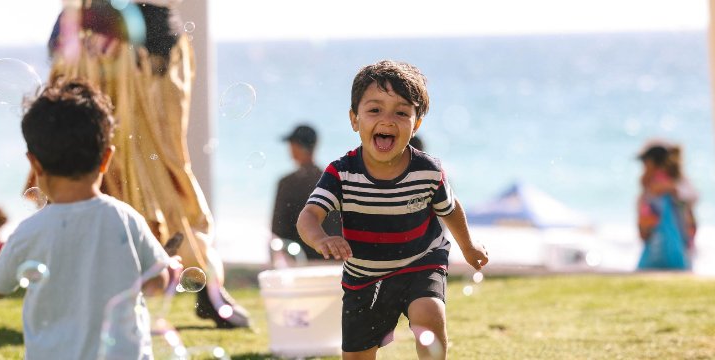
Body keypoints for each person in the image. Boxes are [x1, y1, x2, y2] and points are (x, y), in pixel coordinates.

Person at [44, 0, 251, 329]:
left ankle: (202, 281)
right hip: (91, 42)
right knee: (94, 168)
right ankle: (91, 294)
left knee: (163, 174)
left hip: (143, 45)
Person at [0, 80, 172, 359]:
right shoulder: (126, 218)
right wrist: (171, 269)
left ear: (35, 164)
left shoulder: (31, 231)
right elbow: (158, 282)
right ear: (106, 159)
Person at [296, 60, 489, 359]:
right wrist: (320, 239)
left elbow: (449, 208)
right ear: (354, 119)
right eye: (375, 110)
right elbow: (309, 216)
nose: (387, 120)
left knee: (429, 313)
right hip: (363, 276)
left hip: (420, 261)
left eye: (401, 112)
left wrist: (468, 246)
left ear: (416, 124)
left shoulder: (428, 171)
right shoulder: (341, 173)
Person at [270, 124, 341, 265]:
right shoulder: (332, 180)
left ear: (297, 147)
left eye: (291, 144)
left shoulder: (287, 183)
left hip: (299, 262)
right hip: (332, 260)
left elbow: (277, 230)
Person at [636, 140, 697, 270]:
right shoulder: (655, 185)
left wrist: (672, 189)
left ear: (652, 163)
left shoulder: (670, 184)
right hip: (668, 239)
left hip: (672, 239)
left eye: (645, 163)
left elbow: (692, 196)